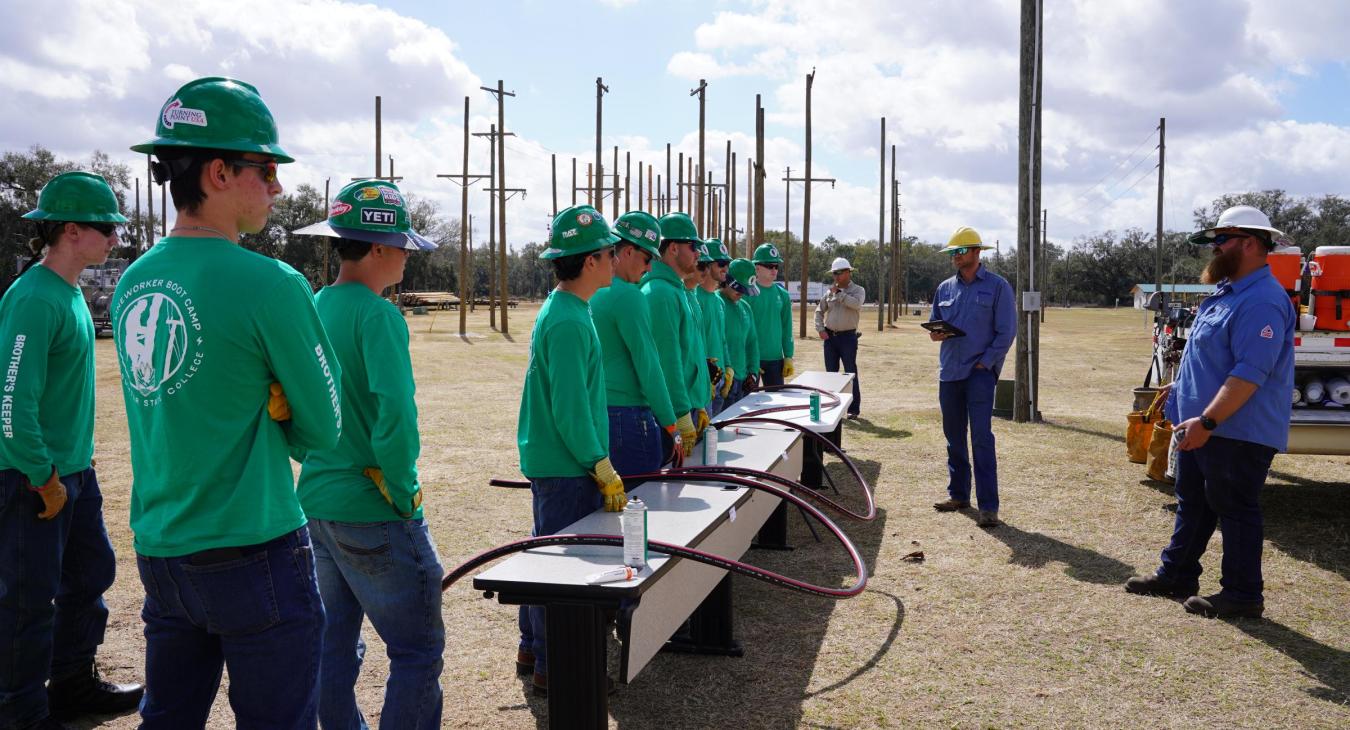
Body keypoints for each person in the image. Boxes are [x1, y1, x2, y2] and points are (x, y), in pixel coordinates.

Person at [112, 77, 343, 728]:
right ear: (218, 171)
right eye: (265, 167)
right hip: (255, 548)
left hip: (162, 550)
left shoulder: (134, 279)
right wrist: (286, 417)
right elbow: (325, 429)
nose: (276, 186)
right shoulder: (271, 283)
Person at [291, 180, 444, 729]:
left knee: (331, 647)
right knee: (417, 650)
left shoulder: (314, 306)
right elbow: (395, 413)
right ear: (376, 247)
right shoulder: (379, 315)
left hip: (317, 500)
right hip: (373, 504)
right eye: (402, 244)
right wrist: (404, 491)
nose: (407, 255)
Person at [0, 172, 143, 730]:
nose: (114, 237)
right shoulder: (34, 298)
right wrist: (42, 476)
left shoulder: (66, 292)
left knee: (88, 578)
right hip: (32, 480)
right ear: (72, 230)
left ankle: (72, 686)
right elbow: (10, 402)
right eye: (106, 227)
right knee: (27, 602)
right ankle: (20, 712)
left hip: (72, 474)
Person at [1125, 205, 1295, 619]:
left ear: (1250, 244)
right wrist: (1180, 387)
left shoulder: (1263, 301)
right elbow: (1209, 357)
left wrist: (1208, 421)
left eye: (1222, 241)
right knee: (1193, 503)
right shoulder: (1226, 293)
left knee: (1234, 507)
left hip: (1235, 431)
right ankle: (1177, 574)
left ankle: (1242, 594)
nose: (1214, 250)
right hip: (1202, 426)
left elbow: (1250, 373)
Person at [517, 205, 625, 695]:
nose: (615, 260)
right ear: (589, 263)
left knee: (548, 556)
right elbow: (569, 406)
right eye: (609, 253)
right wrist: (596, 462)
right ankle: (552, 664)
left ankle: (533, 650)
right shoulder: (566, 320)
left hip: (564, 461)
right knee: (561, 569)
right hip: (565, 465)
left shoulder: (570, 311)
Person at [928, 227, 1015, 528]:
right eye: (952, 252)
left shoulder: (998, 286)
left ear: (977, 252)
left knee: (981, 438)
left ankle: (988, 507)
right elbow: (936, 323)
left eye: (960, 251)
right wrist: (937, 334)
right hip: (950, 372)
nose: (955, 257)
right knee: (953, 437)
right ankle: (959, 495)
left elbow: (1006, 332)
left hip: (979, 374)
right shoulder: (945, 289)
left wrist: (986, 364)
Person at [589, 210, 682, 475]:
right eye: (647, 258)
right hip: (627, 417)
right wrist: (670, 422)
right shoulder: (629, 296)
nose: (650, 267)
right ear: (628, 252)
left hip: (599, 412)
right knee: (641, 505)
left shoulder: (592, 291)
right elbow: (648, 364)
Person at [641, 213, 702, 454]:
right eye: (693, 246)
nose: (698, 253)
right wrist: (681, 413)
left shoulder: (674, 290)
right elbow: (667, 362)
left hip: (682, 405)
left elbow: (688, 354)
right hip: (669, 415)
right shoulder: (661, 294)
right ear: (674, 248)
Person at [814, 256, 865, 419]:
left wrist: (840, 294)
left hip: (848, 337)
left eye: (839, 273)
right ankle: (833, 408)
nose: (836, 276)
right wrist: (820, 329)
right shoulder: (830, 292)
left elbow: (856, 304)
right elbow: (819, 311)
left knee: (850, 373)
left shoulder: (858, 290)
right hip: (830, 338)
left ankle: (853, 409)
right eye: (834, 273)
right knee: (831, 375)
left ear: (848, 272)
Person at [748, 243, 794, 386]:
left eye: (776, 266)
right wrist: (748, 357)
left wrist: (788, 356)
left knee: (777, 403)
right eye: (769, 266)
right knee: (749, 404)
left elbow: (787, 328)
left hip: (775, 359)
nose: (774, 270)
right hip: (751, 359)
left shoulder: (783, 295)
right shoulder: (747, 293)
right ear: (757, 267)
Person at [717, 258, 761, 405]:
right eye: (739, 288)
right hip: (723, 380)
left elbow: (752, 342)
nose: (742, 293)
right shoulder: (717, 303)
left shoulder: (745, 308)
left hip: (743, 379)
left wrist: (753, 372)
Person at [699, 240, 731, 414]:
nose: (725, 268)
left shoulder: (719, 301)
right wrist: (704, 379)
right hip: (704, 381)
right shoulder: (695, 296)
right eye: (721, 264)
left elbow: (722, 338)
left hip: (720, 379)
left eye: (727, 264)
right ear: (708, 264)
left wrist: (729, 367)